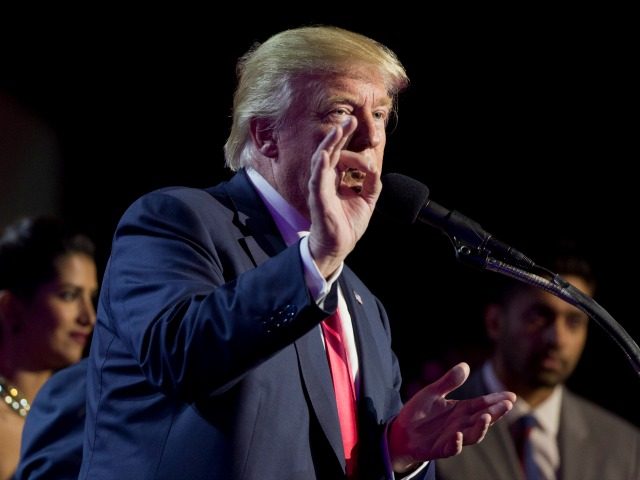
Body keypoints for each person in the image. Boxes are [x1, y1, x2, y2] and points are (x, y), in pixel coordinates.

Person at [79, 26, 515, 480]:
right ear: (266, 135)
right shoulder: (176, 222)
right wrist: (318, 260)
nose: (369, 138)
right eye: (341, 112)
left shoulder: (364, 305)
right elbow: (181, 357)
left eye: (381, 115)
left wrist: (399, 453)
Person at [436, 244, 640, 479]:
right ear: (495, 322)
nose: (557, 338)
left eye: (573, 322)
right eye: (539, 316)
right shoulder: (434, 426)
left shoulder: (626, 447)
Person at [0, 216, 97, 480]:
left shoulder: (85, 417)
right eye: (69, 295)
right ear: (11, 307)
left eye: (91, 297)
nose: (89, 317)